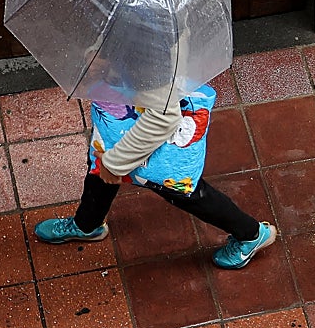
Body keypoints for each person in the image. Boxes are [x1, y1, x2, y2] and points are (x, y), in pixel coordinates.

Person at [34, 65, 276, 269]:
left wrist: (115, 162)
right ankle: (87, 224)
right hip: (122, 114)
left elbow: (163, 117)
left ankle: (251, 234)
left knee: (182, 191)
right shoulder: (140, 26)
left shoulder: (149, 46)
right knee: (99, 168)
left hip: (147, 131)